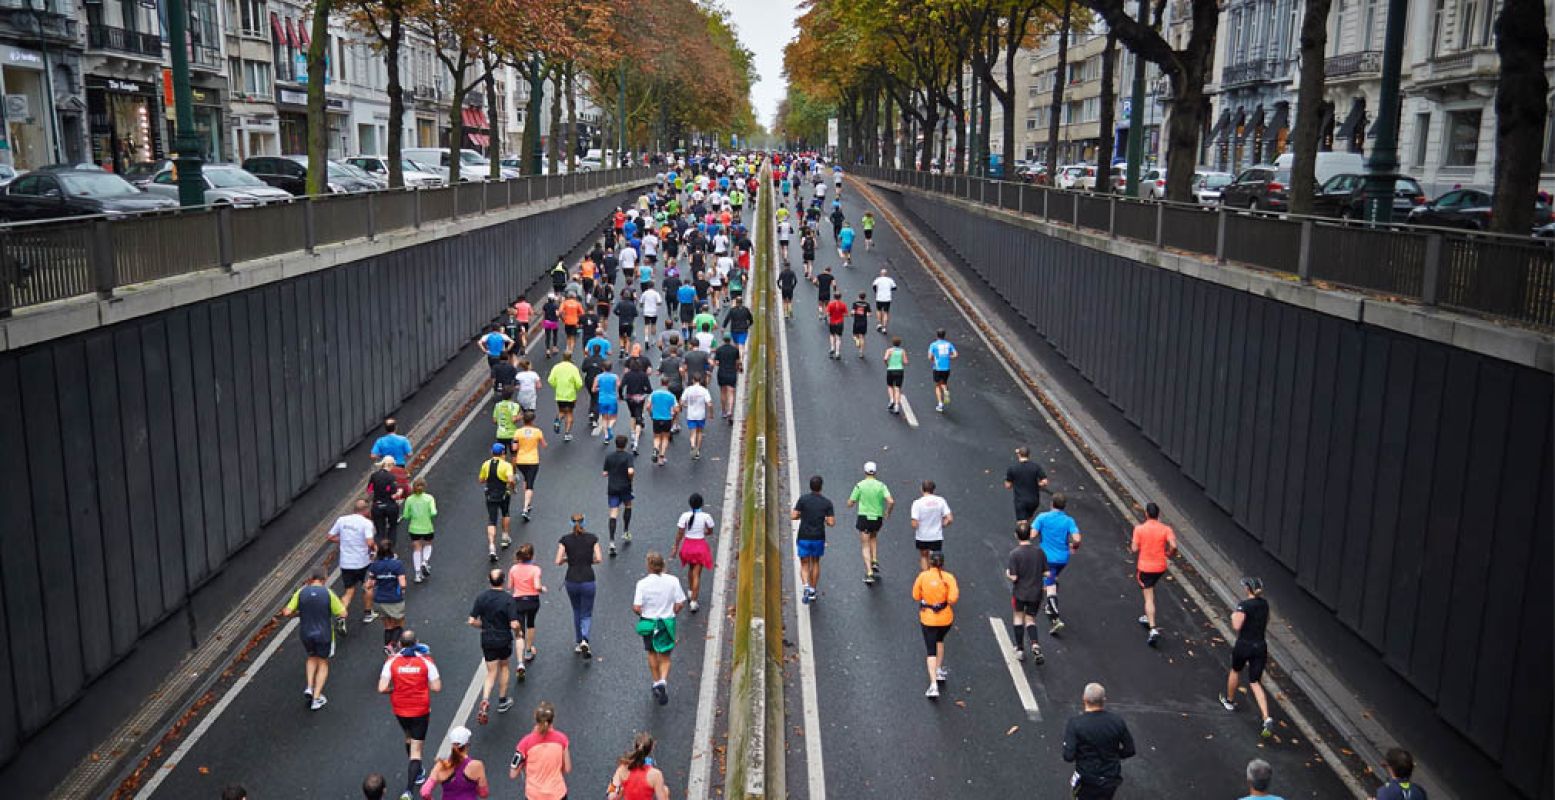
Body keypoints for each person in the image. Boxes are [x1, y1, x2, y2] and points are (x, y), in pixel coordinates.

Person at [379, 630, 442, 800]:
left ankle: (418, 772)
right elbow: (436, 687)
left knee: (408, 737)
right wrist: (421, 683)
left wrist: (395, 689)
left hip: (400, 708)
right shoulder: (426, 661)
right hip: (420, 709)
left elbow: (382, 687)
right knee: (416, 750)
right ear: (417, 642)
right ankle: (408, 790)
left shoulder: (391, 661)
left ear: (400, 644)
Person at [1220, 577, 1276, 739]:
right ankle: (1266, 717)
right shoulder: (1264, 604)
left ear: (1248, 589)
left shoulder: (1244, 606)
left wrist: (1233, 616)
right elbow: (1267, 620)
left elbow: (1236, 626)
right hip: (1260, 647)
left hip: (1244, 645)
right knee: (1255, 682)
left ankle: (1229, 701)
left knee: (1235, 670)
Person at [282, 569, 345, 710]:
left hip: (306, 633)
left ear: (311, 578)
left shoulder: (301, 592)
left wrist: (300, 613)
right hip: (324, 634)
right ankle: (316, 698)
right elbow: (343, 613)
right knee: (323, 663)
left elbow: (286, 612)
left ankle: (309, 687)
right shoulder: (328, 593)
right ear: (325, 578)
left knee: (311, 657)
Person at [1061, 683, 1136, 800]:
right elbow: (1130, 750)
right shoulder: (1117, 721)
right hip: (1110, 779)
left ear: (1084, 699)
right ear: (1104, 700)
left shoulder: (1076, 724)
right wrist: (1115, 755)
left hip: (1087, 778)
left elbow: (1068, 756)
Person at [633, 552, 687, 705]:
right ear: (663, 565)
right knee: (665, 655)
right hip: (666, 622)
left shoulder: (642, 584)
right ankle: (663, 681)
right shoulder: (673, 581)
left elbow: (636, 607)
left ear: (648, 566)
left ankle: (656, 681)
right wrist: (673, 612)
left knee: (651, 652)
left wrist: (643, 613)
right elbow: (680, 603)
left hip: (649, 622)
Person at [468, 568, 519, 726]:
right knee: (504, 667)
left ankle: (485, 699)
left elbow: (471, 620)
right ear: (503, 581)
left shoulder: (481, 597)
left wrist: (483, 626)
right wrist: (518, 632)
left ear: (489, 580)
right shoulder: (508, 599)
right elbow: (514, 623)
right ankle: (503, 700)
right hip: (503, 638)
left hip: (487, 638)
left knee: (491, 672)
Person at [911, 551, 959, 699]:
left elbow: (915, 595)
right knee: (940, 640)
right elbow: (953, 598)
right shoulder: (948, 578)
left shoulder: (923, 577)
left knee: (930, 650)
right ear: (942, 563)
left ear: (930, 562)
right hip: (945, 618)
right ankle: (938, 670)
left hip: (928, 619)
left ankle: (933, 685)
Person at [1130, 503, 1177, 647]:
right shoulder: (1166, 529)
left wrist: (1137, 545)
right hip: (1160, 567)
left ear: (1146, 514)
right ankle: (1147, 616)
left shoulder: (1139, 529)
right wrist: (1169, 554)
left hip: (1145, 568)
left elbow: (1134, 548)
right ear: (1158, 514)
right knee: (1150, 589)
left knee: (1148, 597)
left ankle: (1152, 628)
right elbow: (1174, 546)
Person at [555, 513, 602, 657]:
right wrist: (588, 561)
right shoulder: (593, 538)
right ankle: (585, 639)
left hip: (572, 580)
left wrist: (568, 560)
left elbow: (557, 560)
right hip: (588, 579)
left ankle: (578, 641)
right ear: (584, 522)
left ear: (571, 523)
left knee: (576, 610)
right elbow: (599, 559)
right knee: (586, 613)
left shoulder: (565, 540)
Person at [329, 499, 377, 630]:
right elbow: (369, 542)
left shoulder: (342, 520)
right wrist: (375, 548)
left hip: (346, 563)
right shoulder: (366, 523)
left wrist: (343, 540)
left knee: (349, 591)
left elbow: (330, 536)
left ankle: (341, 616)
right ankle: (368, 613)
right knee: (368, 587)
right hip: (363, 562)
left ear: (354, 509)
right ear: (366, 511)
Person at [1006, 520, 1048, 664]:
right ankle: (1035, 644)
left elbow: (1014, 577)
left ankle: (1020, 649)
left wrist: (1007, 573)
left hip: (1020, 593)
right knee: (1030, 619)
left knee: (1018, 617)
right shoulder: (1039, 552)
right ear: (1030, 534)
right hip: (1036, 593)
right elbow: (1047, 573)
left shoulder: (1015, 554)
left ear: (1016, 535)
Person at [847, 461, 895, 585]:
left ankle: (869, 573)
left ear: (865, 471)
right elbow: (890, 501)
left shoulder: (860, 485)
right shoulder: (881, 485)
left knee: (865, 545)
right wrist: (887, 512)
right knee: (873, 537)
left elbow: (850, 502)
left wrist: (852, 502)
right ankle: (874, 559)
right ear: (875, 472)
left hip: (864, 517)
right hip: (877, 517)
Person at [510, 702, 571, 800]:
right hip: (557, 793)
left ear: (535, 719)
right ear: (553, 719)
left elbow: (513, 773)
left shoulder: (525, 743)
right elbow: (567, 768)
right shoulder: (562, 739)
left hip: (534, 795)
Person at [791, 475, 835, 605]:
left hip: (804, 536)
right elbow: (832, 522)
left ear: (810, 486)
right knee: (815, 562)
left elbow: (793, 515)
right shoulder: (827, 503)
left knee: (804, 564)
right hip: (818, 537)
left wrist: (801, 515)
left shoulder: (803, 500)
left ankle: (806, 586)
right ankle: (813, 590)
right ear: (821, 487)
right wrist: (826, 519)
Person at [672, 493, 716, 612]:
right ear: (702, 504)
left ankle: (690, 591)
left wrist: (675, 547)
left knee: (691, 569)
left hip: (687, 547)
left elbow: (680, 533)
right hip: (700, 547)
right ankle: (694, 601)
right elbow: (710, 530)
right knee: (697, 574)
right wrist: (704, 533)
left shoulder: (684, 516)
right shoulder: (706, 516)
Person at [507, 543, 546, 673]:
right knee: (531, 624)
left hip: (518, 601)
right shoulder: (535, 569)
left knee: (520, 628)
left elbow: (509, 586)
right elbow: (537, 585)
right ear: (532, 556)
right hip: (532, 600)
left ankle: (520, 658)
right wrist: (542, 589)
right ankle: (528, 651)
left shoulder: (513, 569)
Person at [366, 543, 409, 656]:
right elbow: (403, 584)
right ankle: (392, 646)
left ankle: (388, 649)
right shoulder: (397, 564)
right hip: (394, 599)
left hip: (380, 600)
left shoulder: (375, 566)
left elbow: (370, 584)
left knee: (388, 626)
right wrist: (402, 589)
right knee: (399, 624)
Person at [422, 726, 488, 799]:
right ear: (467, 744)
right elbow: (483, 794)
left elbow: (425, 792)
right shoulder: (477, 765)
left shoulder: (441, 765)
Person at [479, 444, 517, 561]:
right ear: (503, 453)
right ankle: (505, 537)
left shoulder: (486, 464)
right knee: (505, 513)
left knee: (492, 519)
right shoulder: (506, 465)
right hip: (503, 494)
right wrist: (512, 487)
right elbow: (511, 479)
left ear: (492, 452)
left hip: (490, 494)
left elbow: (481, 480)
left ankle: (491, 546)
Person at [606, 733, 670, 800]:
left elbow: (611, 796)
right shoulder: (655, 775)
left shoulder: (622, 769)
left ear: (634, 746)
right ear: (651, 749)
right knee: (665, 790)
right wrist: (666, 794)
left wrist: (622, 790)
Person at [603, 435, 636, 556]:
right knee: (628, 506)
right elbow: (630, 471)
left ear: (616, 444)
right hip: (625, 487)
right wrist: (630, 479)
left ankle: (612, 541)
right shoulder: (628, 457)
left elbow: (605, 472)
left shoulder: (609, 456)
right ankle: (626, 531)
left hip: (612, 487)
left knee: (613, 513)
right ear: (625, 444)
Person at [909, 480, 953, 571]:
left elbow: (914, 523)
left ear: (921, 489)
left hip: (922, 536)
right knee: (936, 557)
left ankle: (926, 577)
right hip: (936, 536)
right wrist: (942, 525)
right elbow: (949, 518)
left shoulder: (917, 503)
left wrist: (917, 526)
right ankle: (936, 577)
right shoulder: (941, 501)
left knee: (924, 556)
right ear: (933, 489)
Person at [512, 411, 546, 522]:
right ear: (533, 420)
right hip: (532, 460)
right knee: (530, 484)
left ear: (523, 420)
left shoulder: (518, 432)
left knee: (526, 479)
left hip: (520, 460)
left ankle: (528, 502)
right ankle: (525, 508)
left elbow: (514, 448)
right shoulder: (537, 432)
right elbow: (544, 444)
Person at [1004, 446, 1049, 523]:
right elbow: (1045, 481)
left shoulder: (1012, 468)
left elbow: (1008, 485)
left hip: (1020, 501)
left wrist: (1013, 483)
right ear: (1028, 455)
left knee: (1021, 522)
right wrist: (1038, 484)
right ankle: (1028, 530)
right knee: (1028, 518)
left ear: (1019, 455)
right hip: (1034, 500)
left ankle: (1023, 533)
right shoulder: (1036, 467)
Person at [368, 456, 406, 546]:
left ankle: (379, 550)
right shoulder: (391, 477)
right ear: (391, 465)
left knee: (380, 530)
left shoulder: (374, 476)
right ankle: (390, 550)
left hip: (377, 505)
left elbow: (369, 490)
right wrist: (399, 492)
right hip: (390, 505)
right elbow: (393, 495)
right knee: (392, 528)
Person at [546, 356, 584, 441]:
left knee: (561, 411)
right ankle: (567, 433)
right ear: (570, 358)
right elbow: (579, 383)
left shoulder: (557, 367)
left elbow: (550, 380)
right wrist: (576, 388)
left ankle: (558, 420)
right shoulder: (573, 368)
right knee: (569, 413)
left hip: (559, 394)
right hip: (570, 395)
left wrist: (556, 385)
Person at [648, 377, 679, 466]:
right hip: (667, 419)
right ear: (668, 384)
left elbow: (648, 406)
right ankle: (661, 457)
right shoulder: (671, 396)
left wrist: (651, 414)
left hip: (656, 418)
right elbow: (676, 409)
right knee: (665, 437)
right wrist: (673, 416)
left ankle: (655, 449)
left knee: (657, 437)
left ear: (661, 383)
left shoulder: (654, 394)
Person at [681, 375, 713, 460]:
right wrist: (711, 413)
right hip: (701, 415)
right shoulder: (704, 390)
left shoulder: (688, 389)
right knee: (699, 432)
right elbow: (709, 403)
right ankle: (697, 450)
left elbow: (682, 401)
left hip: (691, 414)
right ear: (700, 380)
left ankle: (692, 445)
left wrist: (685, 405)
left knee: (692, 432)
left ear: (693, 380)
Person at [927, 329, 958, 412]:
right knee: (944, 383)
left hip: (937, 368)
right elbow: (955, 354)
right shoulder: (949, 344)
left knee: (937, 385)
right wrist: (949, 357)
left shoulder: (933, 345)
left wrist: (934, 359)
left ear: (937, 335)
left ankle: (940, 403)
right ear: (944, 335)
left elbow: (929, 357)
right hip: (946, 368)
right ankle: (945, 391)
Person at [713, 335, 742, 421]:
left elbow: (716, 362)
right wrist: (738, 368)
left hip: (722, 372)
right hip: (731, 372)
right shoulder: (735, 350)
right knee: (731, 392)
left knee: (723, 392)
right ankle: (730, 411)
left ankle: (724, 411)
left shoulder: (719, 350)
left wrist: (720, 363)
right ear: (730, 340)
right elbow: (738, 362)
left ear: (723, 339)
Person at [824, 292, 848, 360]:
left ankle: (832, 348)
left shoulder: (830, 304)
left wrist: (832, 314)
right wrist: (841, 314)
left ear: (834, 297)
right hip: (840, 323)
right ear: (840, 297)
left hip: (832, 323)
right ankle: (837, 352)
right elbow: (846, 314)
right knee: (838, 338)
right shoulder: (843, 305)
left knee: (832, 335)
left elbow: (828, 314)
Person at [849, 292, 870, 358]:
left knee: (855, 335)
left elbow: (852, 313)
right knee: (862, 337)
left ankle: (856, 340)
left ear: (858, 296)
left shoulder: (855, 304)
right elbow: (869, 314)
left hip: (856, 322)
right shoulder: (867, 304)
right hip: (864, 322)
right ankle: (861, 352)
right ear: (865, 297)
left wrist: (852, 314)